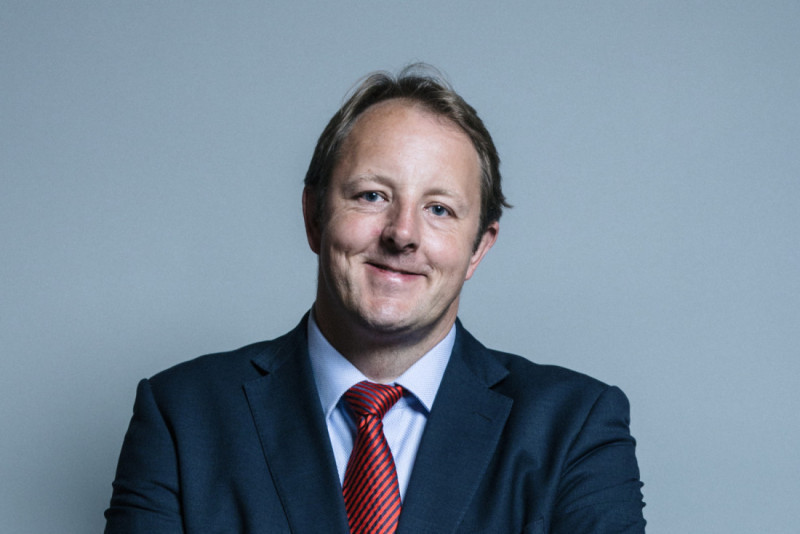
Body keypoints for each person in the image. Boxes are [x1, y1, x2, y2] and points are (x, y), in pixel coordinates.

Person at [105, 65, 646, 533]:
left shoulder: (574, 427)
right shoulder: (183, 418)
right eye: (372, 196)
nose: (402, 234)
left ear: (479, 247)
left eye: (440, 209)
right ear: (313, 216)